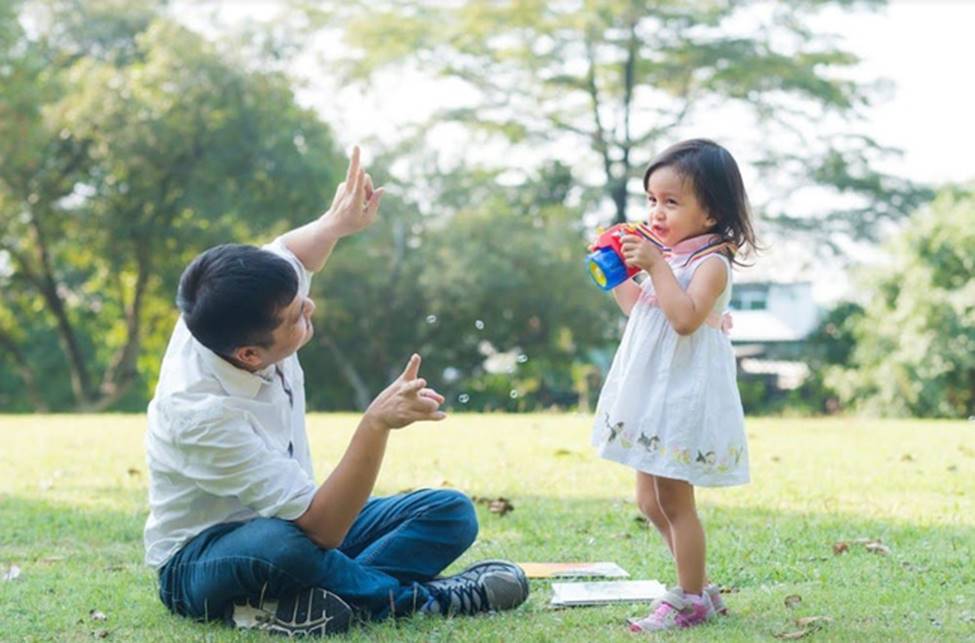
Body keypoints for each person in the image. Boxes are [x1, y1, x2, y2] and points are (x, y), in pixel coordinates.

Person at [144, 146, 529, 637]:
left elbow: (294, 252)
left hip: (297, 522)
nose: (311, 307)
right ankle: (423, 601)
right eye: (296, 317)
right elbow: (321, 529)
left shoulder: (229, 301)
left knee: (448, 512)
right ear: (248, 355)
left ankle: (304, 602)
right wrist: (374, 425)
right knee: (286, 548)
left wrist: (336, 222)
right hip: (203, 560)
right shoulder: (200, 413)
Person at [590, 139, 756, 632]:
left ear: (712, 211)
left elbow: (683, 319)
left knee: (676, 502)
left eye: (671, 202)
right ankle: (699, 585)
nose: (656, 213)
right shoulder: (669, 255)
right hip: (652, 394)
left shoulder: (710, 263)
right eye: (651, 200)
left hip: (681, 396)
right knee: (648, 500)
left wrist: (658, 266)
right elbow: (637, 307)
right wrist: (617, 268)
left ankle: (689, 599)